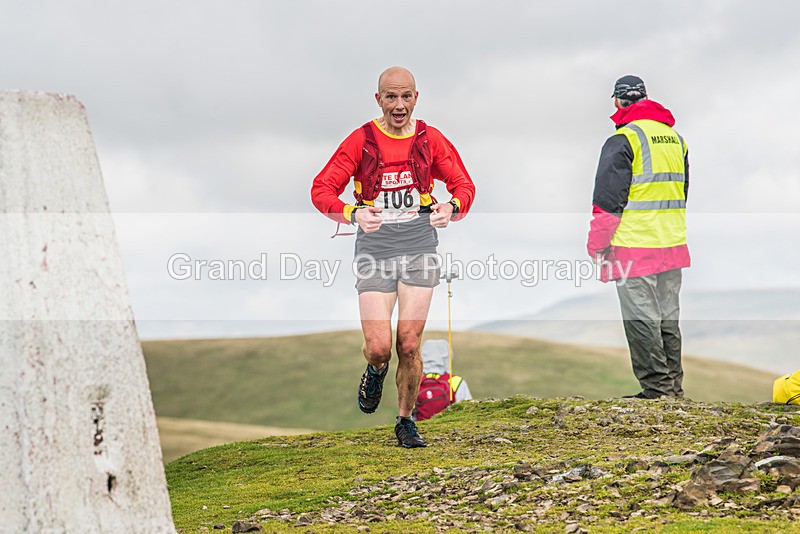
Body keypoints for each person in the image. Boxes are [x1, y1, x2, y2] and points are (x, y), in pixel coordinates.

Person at [310, 67, 476, 447]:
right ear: (378, 100)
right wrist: (352, 213)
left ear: (416, 97)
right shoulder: (361, 140)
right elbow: (321, 189)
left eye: (405, 97)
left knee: (410, 344)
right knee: (381, 346)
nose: (398, 105)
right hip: (376, 246)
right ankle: (375, 368)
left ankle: (405, 420)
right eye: (390, 97)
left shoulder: (430, 138)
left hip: (419, 241)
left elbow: (464, 186)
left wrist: (452, 207)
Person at [587, 75, 690, 399]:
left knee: (640, 319)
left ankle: (657, 390)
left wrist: (598, 244)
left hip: (635, 243)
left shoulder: (623, 140)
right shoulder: (676, 139)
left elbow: (607, 201)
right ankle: (673, 387)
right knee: (667, 319)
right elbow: (682, 191)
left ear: (617, 102)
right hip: (672, 242)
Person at [414, 339, 472, 421]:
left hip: (419, 429)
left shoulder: (415, 382)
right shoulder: (456, 381)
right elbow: (468, 409)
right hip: (451, 427)